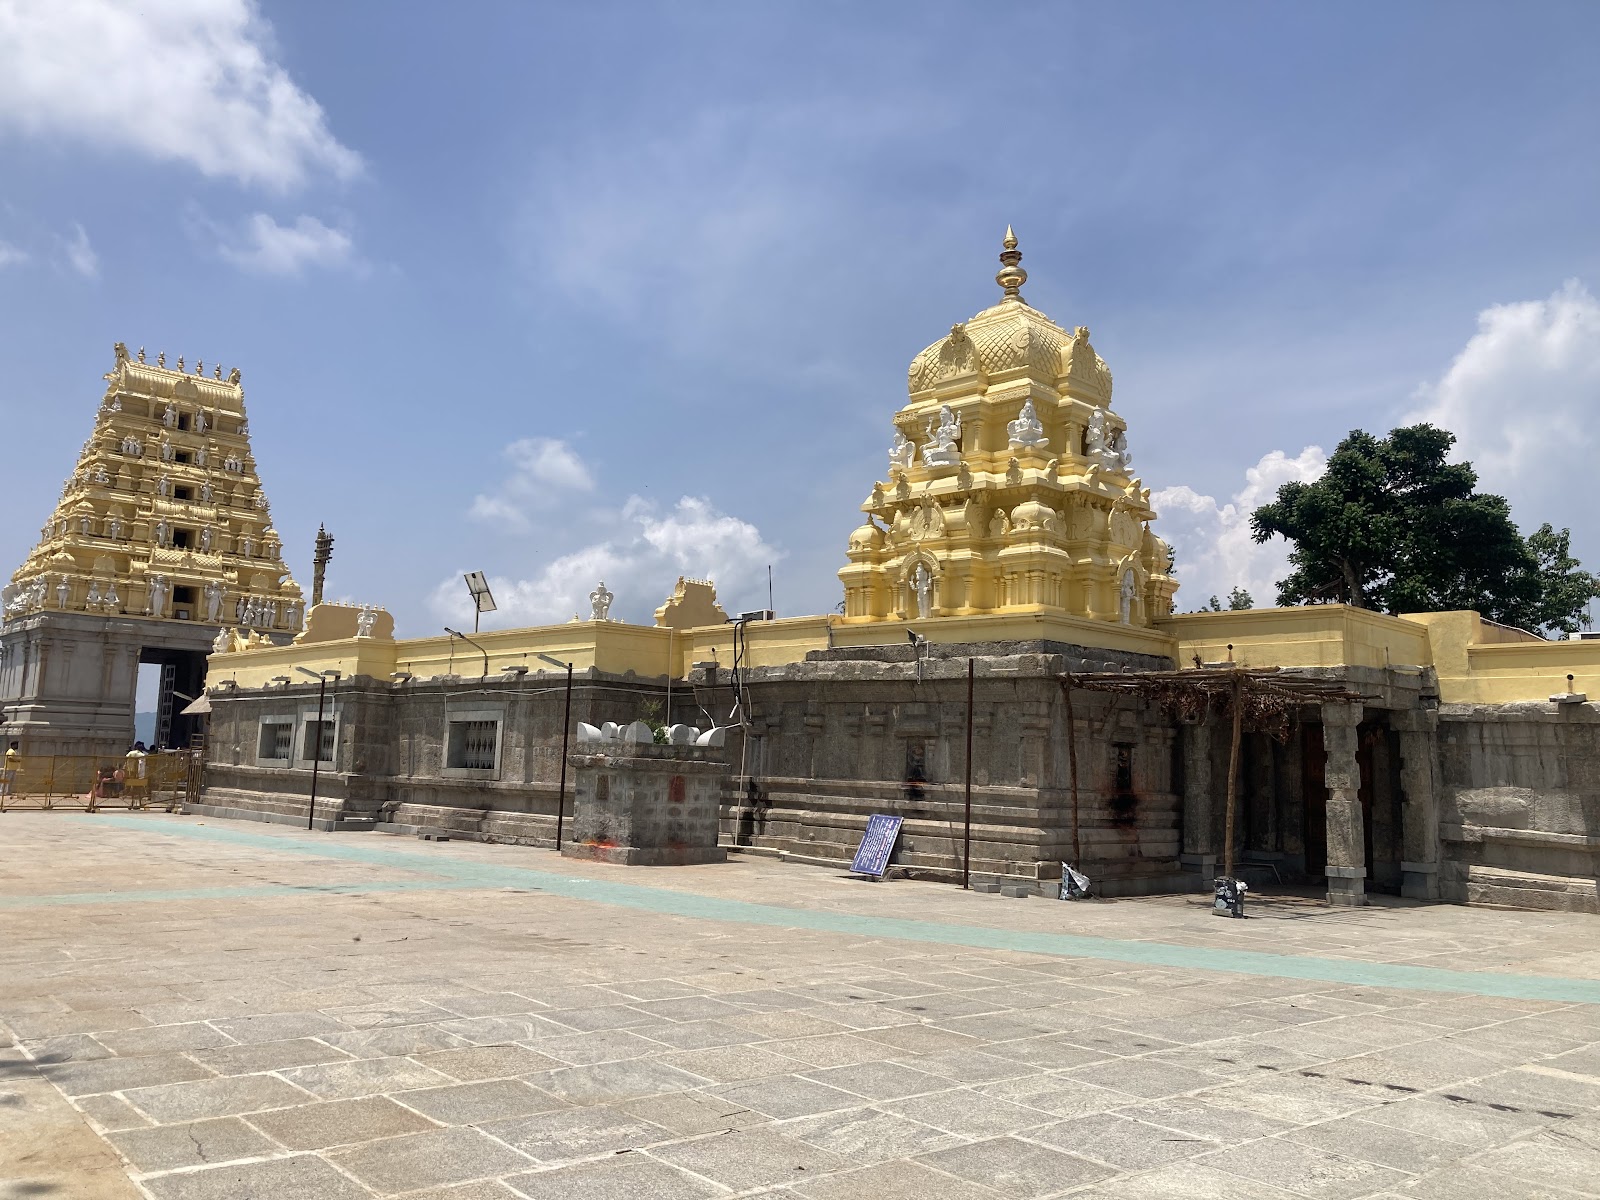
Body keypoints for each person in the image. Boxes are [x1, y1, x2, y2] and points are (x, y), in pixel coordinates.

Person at [125, 741, 149, 806]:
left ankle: (132, 802)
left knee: (132, 786)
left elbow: (126, 758)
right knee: (139, 787)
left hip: (131, 771)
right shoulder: (142, 755)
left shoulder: (131, 753)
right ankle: (139, 802)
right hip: (139, 773)